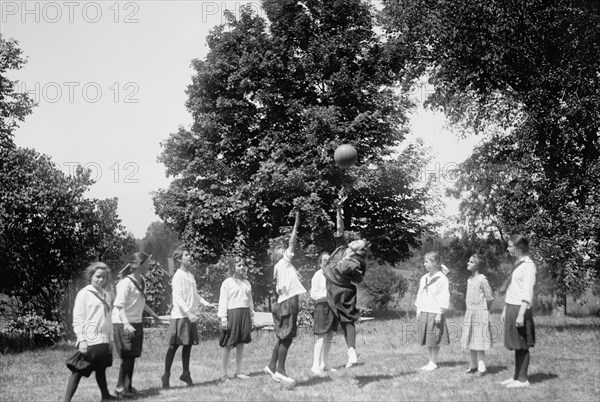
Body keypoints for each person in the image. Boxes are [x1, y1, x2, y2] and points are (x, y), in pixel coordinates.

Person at [322, 195, 369, 368]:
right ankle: (323, 362)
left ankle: (351, 351)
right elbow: (339, 227)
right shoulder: (341, 248)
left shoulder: (355, 262)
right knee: (331, 323)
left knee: (346, 321)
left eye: (358, 242)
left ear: (360, 250)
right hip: (330, 287)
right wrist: (338, 209)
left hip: (342, 291)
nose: (355, 240)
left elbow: (356, 275)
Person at [161, 247, 215, 389]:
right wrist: (188, 313)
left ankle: (186, 373)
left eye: (189, 254)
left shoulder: (190, 275)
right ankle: (166, 375)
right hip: (181, 316)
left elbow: (195, 294)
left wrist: (205, 303)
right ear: (179, 259)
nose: (190, 256)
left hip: (190, 315)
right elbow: (178, 298)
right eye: (186, 255)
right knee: (174, 346)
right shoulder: (177, 276)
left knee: (188, 345)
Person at [263, 211, 307, 383]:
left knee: (282, 336)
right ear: (278, 254)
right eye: (281, 250)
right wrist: (295, 226)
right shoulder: (284, 262)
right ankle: (280, 371)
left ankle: (271, 366)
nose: (286, 249)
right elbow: (292, 242)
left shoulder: (279, 267)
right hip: (289, 302)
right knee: (287, 337)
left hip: (283, 302)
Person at [112, 252, 162, 397]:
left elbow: (141, 302)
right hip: (123, 323)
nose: (148, 266)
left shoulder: (142, 280)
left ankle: (128, 386)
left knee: (132, 356)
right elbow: (119, 306)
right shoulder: (125, 283)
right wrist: (126, 323)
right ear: (137, 265)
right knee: (127, 356)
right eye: (146, 263)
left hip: (136, 322)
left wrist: (153, 314)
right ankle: (121, 389)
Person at [65, 262, 115, 402]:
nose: (101, 280)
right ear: (90, 276)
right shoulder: (84, 294)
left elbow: (108, 318)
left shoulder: (106, 295)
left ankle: (105, 397)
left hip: (103, 340)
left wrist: (110, 339)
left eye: (104, 277)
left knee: (101, 369)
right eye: (98, 276)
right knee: (78, 370)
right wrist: (81, 339)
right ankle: (66, 400)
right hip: (90, 339)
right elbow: (78, 318)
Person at [500, 234, 536, 388]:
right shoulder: (518, 263)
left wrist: (521, 314)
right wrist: (505, 308)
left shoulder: (528, 266)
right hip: (512, 306)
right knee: (516, 343)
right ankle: (516, 377)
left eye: (510, 246)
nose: (508, 248)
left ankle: (523, 380)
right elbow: (513, 289)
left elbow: (527, 292)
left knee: (522, 344)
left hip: (521, 308)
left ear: (519, 247)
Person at [218, 256, 255, 381]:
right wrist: (223, 318)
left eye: (243, 265)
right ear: (232, 267)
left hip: (244, 314)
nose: (241, 267)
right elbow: (223, 301)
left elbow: (250, 301)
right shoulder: (227, 283)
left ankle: (238, 371)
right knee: (228, 345)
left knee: (240, 344)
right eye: (238, 265)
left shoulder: (247, 283)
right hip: (232, 315)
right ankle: (224, 374)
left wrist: (252, 316)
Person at [414, 251, 450, 371]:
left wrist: (440, 312)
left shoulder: (442, 279)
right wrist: (418, 309)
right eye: (424, 261)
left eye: (427, 261)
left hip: (435, 312)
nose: (424, 264)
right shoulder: (424, 278)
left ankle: (434, 362)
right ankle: (430, 361)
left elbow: (444, 296)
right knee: (428, 339)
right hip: (425, 310)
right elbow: (420, 294)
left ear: (435, 263)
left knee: (434, 338)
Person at [461, 254, 494, 375]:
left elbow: (489, 297)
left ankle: (481, 367)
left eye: (471, 262)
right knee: (471, 340)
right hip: (470, 312)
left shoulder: (482, 279)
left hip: (480, 313)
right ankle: (473, 365)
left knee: (479, 341)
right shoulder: (469, 280)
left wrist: (484, 310)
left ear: (477, 265)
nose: (468, 263)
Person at [310, 251, 337, 375]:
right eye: (325, 260)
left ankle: (324, 363)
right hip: (321, 307)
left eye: (329, 260)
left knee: (330, 335)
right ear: (320, 263)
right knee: (321, 336)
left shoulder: (332, 275)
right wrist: (327, 296)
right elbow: (313, 295)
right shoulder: (317, 275)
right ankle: (315, 365)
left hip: (332, 307)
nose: (327, 262)